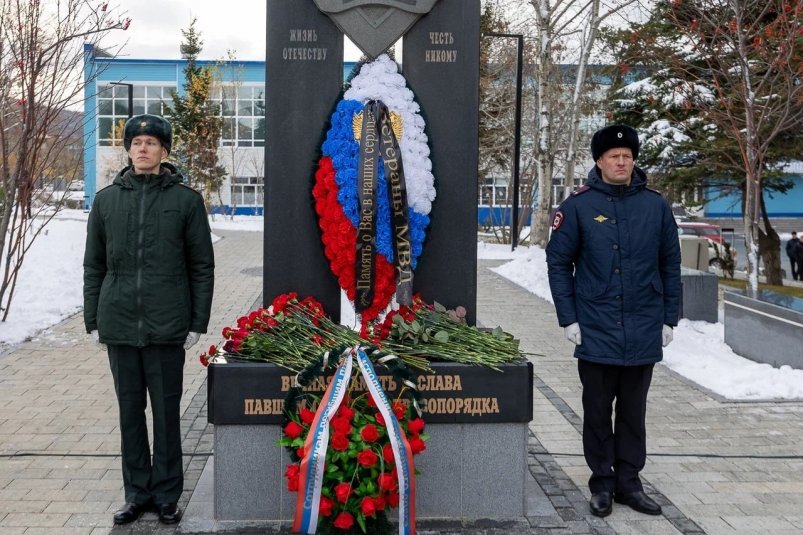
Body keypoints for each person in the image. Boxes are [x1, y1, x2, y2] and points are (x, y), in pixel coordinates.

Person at [83, 114, 215, 525]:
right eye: (137, 142)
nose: (143, 149)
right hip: (119, 322)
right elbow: (94, 265)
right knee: (129, 412)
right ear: (127, 149)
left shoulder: (186, 201)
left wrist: (197, 322)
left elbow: (201, 266)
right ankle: (136, 492)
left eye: (151, 143)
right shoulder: (106, 201)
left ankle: (167, 494)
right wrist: (93, 319)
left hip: (166, 325)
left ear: (164, 151)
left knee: (166, 412)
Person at [545, 124, 681, 518]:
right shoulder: (577, 207)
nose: (621, 162)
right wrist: (568, 318)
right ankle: (601, 484)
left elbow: (670, 263)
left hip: (643, 325)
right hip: (596, 325)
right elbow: (558, 262)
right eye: (613, 157)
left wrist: (669, 317)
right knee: (598, 409)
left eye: (627, 156)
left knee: (634, 412)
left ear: (634, 160)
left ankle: (629, 483)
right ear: (600, 162)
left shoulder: (655, 206)